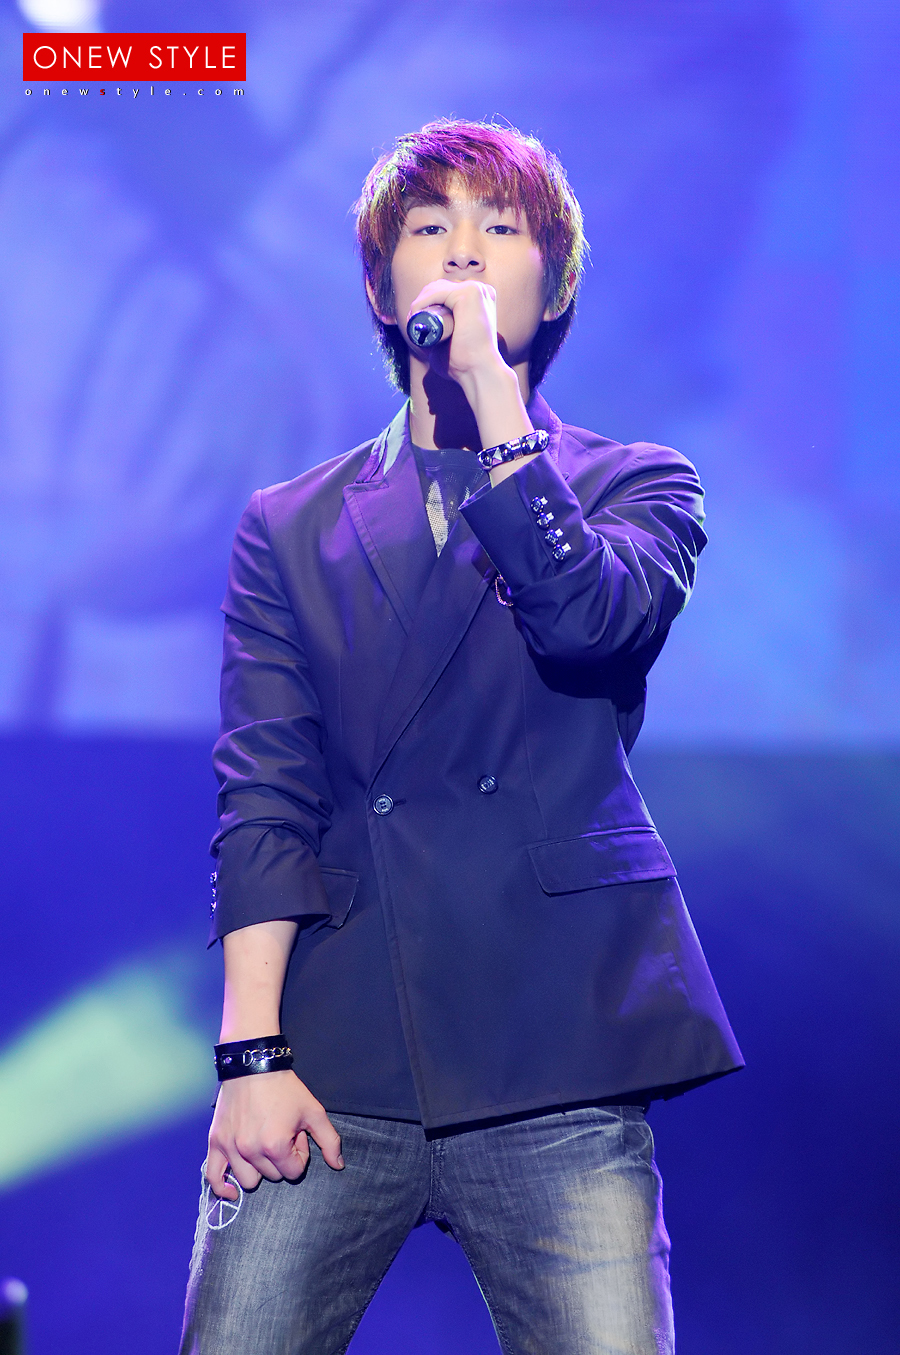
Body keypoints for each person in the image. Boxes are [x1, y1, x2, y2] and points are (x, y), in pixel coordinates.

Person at [179, 118, 743, 1355]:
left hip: (557, 1048)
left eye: (501, 228)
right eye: (430, 227)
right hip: (335, 1053)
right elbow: (264, 793)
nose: (465, 252)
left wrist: (495, 401)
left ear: (558, 282)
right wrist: (251, 1053)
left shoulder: (641, 484)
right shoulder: (291, 524)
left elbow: (588, 622)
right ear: (382, 291)